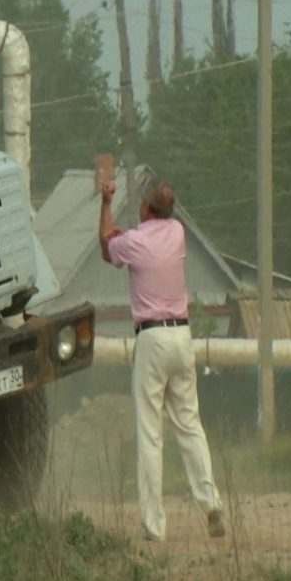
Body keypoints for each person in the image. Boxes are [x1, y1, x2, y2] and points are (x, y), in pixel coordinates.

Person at [99, 176, 225, 542]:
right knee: (189, 424)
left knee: (151, 434)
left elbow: (107, 249)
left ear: (145, 208)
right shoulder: (178, 233)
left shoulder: (135, 242)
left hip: (152, 338)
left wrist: (106, 204)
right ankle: (211, 502)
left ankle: (154, 525)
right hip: (182, 335)